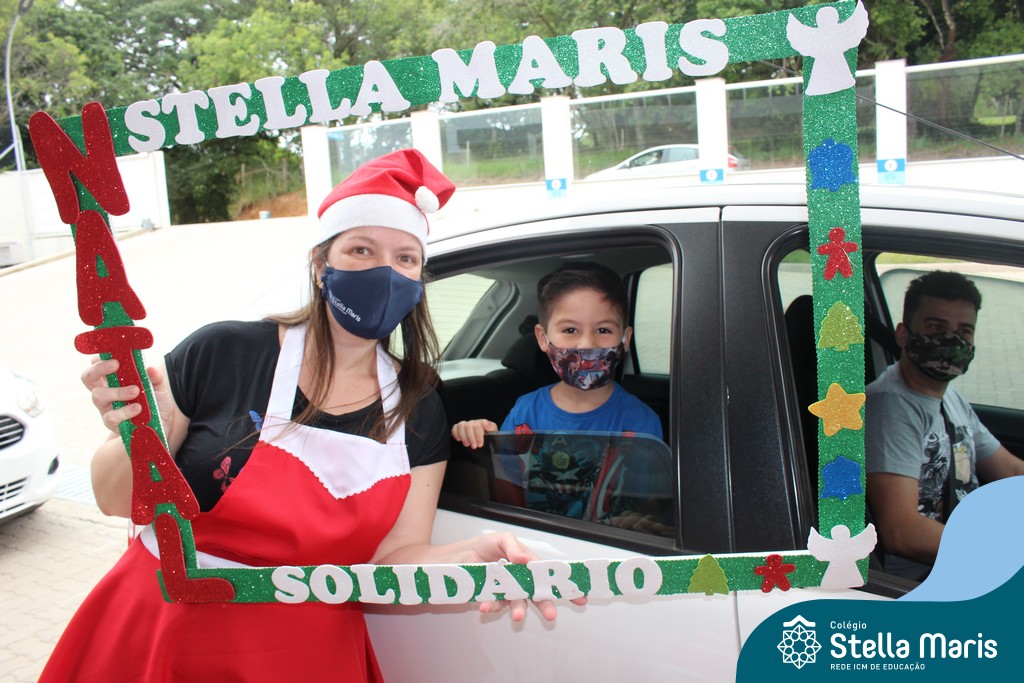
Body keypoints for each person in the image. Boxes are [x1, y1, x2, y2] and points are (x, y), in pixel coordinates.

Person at [39, 150, 583, 683]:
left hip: (301, 654)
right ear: (321, 265)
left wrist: (470, 558)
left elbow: (392, 559)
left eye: (405, 259)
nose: (385, 272)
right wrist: (142, 434)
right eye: (361, 250)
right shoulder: (223, 352)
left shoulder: (418, 405)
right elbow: (114, 499)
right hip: (161, 632)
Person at [451, 261, 665, 531]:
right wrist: (480, 439)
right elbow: (505, 485)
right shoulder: (525, 411)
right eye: (570, 330)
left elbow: (648, 509)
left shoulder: (641, 422)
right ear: (543, 338)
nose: (586, 345)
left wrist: (635, 521)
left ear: (625, 338)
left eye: (603, 330)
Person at [865, 270, 1024, 581]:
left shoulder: (948, 397)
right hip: (927, 576)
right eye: (936, 327)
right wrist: (1004, 550)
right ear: (903, 334)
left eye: (964, 331)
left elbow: (1010, 470)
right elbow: (902, 532)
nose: (952, 340)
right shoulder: (890, 408)